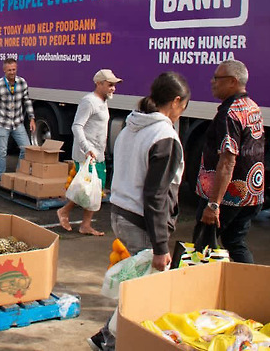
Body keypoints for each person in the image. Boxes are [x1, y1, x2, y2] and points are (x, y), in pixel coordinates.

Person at [88, 72, 190, 351]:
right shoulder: (164, 136)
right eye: (183, 107)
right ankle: (108, 340)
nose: (181, 113)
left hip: (120, 213)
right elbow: (156, 195)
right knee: (145, 291)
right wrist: (160, 247)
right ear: (176, 102)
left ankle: (107, 338)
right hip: (141, 222)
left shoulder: (132, 125)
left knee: (138, 286)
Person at [195, 59, 264, 264]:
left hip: (228, 198)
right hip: (251, 195)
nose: (212, 82)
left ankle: (203, 292)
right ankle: (246, 287)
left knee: (202, 249)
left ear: (233, 81)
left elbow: (227, 161)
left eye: (217, 78)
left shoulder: (229, 113)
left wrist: (214, 205)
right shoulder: (252, 107)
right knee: (235, 241)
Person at [57, 69, 122, 236]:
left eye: (114, 85)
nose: (113, 88)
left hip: (97, 154)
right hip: (86, 154)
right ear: (98, 84)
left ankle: (85, 224)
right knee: (86, 188)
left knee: (95, 189)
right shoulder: (89, 101)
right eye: (110, 85)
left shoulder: (103, 101)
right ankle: (64, 211)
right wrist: (87, 148)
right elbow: (77, 126)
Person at [0, 58, 36, 180]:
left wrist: (32, 118)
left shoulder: (22, 82)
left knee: (26, 149)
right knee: (2, 152)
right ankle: (1, 176)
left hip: (18, 122)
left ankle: (18, 173)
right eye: (9, 70)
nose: (12, 72)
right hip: (3, 123)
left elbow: (27, 101)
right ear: (4, 70)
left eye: (14, 69)